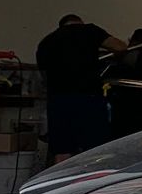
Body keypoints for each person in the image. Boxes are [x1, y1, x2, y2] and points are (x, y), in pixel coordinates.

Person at [35, 14, 127, 162]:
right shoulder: (89, 30)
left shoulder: (46, 42)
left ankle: (65, 183)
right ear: (80, 23)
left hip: (58, 102)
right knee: (96, 151)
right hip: (88, 98)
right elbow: (120, 47)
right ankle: (94, 182)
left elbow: (43, 75)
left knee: (62, 152)